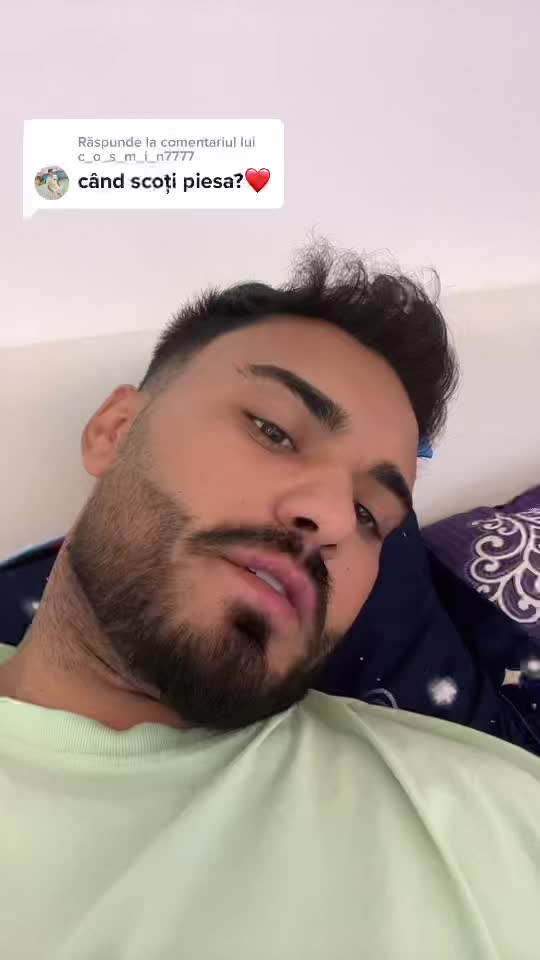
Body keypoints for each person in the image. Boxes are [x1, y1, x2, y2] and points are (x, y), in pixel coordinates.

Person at [0, 241, 538, 959]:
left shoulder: (492, 818)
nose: (334, 518)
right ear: (115, 431)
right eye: (274, 432)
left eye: (372, 515)